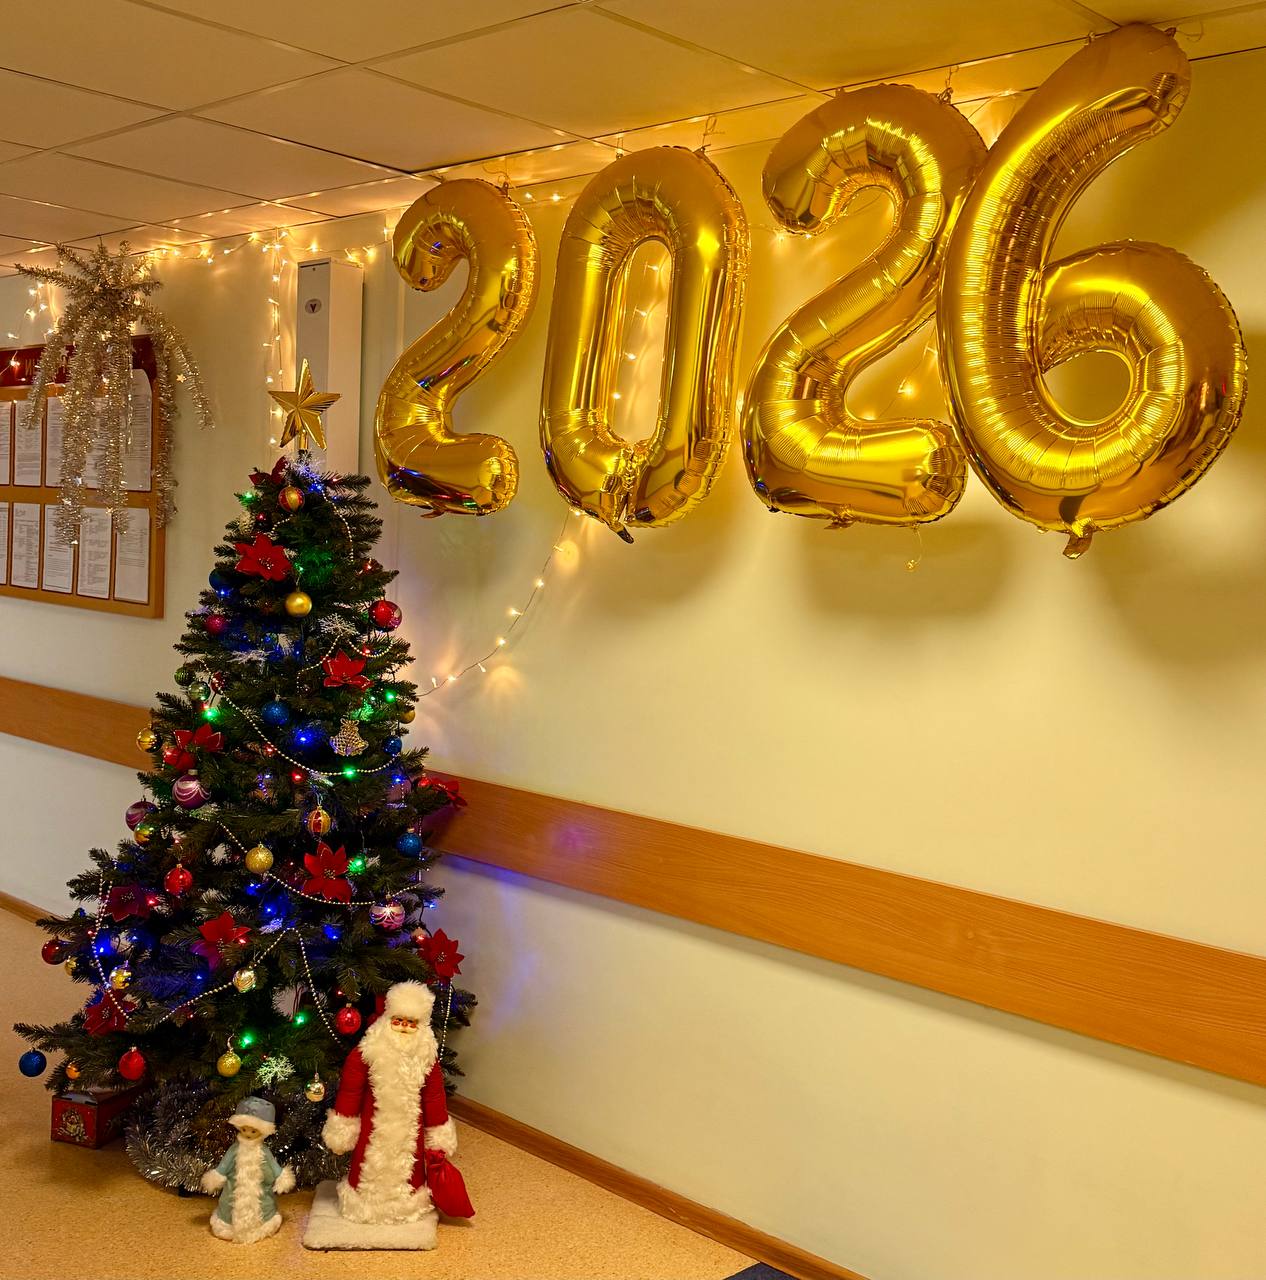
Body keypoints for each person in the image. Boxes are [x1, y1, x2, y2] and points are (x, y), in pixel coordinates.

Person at [321, 980, 460, 1225]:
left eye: (411, 1023)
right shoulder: (367, 1052)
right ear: (388, 1019)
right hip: (373, 1126)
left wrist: (438, 1133)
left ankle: (407, 1203)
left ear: (421, 1025)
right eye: (398, 1021)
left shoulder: (426, 1057)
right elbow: (351, 1091)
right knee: (367, 1161)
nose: (404, 1027)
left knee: (409, 1165)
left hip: (410, 1130)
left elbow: (434, 1097)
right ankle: (363, 1202)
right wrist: (344, 1124)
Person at [200, 1096, 295, 1243]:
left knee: (262, 1203)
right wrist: (216, 1176)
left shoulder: (264, 1152)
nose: (248, 1134)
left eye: (253, 1131)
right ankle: (227, 1224)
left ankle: (264, 1223)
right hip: (233, 1190)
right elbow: (224, 1165)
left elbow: (273, 1167)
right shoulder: (234, 1150)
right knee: (230, 1203)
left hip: (260, 1195)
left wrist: (281, 1177)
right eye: (244, 1129)